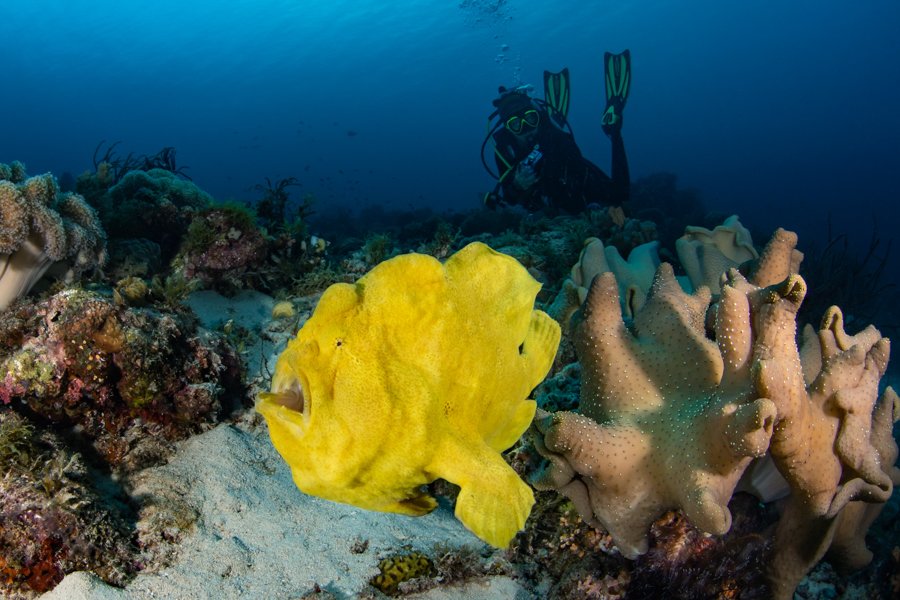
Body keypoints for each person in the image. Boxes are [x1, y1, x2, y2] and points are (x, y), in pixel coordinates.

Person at [482, 51, 631, 219]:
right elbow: (508, 197)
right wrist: (517, 185)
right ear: (508, 129)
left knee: (621, 196)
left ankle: (613, 130)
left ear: (538, 117)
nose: (526, 128)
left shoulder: (553, 136)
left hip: (573, 186)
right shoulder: (504, 149)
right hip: (543, 203)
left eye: (531, 119)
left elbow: (577, 164)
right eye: (516, 125)